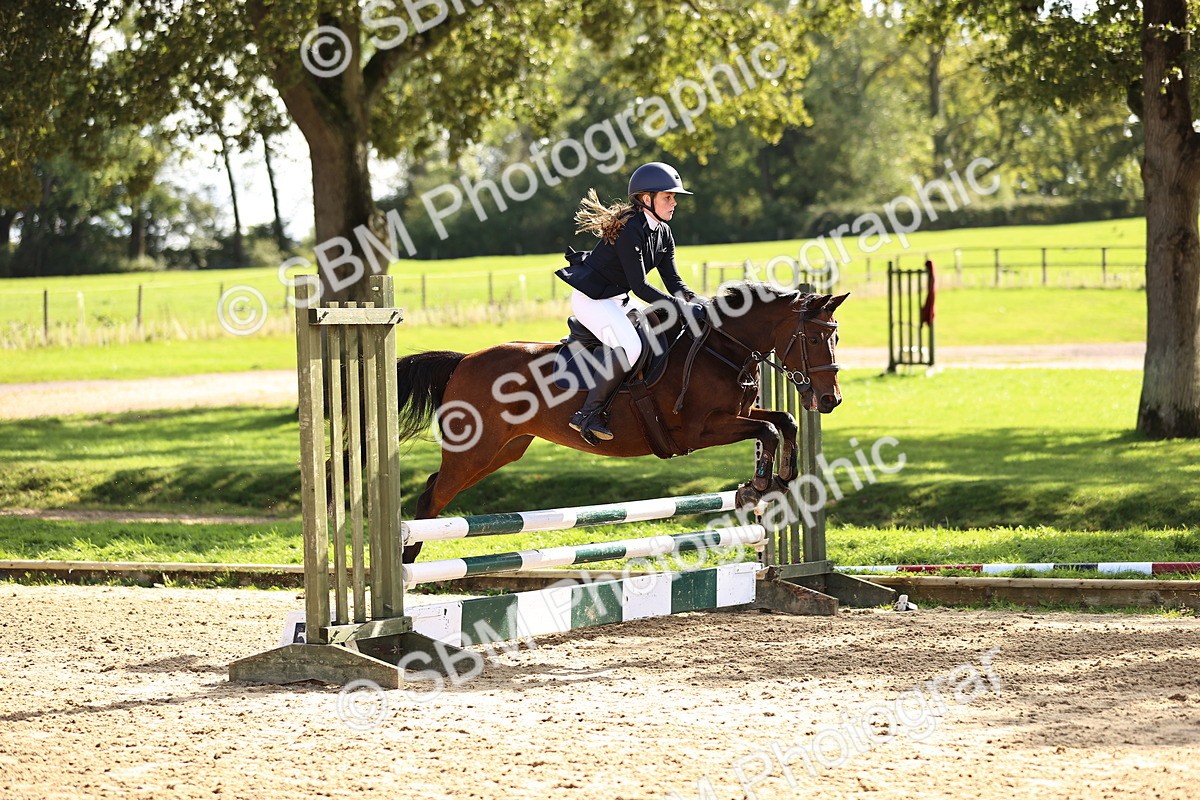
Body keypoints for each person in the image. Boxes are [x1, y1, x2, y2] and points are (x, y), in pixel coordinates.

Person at [555, 161, 707, 443]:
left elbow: (674, 282)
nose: (674, 203)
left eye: (674, 197)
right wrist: (682, 309)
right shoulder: (631, 230)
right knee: (631, 346)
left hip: (617, 300)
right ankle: (588, 413)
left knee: (659, 334)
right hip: (593, 299)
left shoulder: (664, 233)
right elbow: (640, 286)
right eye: (668, 197)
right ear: (646, 199)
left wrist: (700, 302)